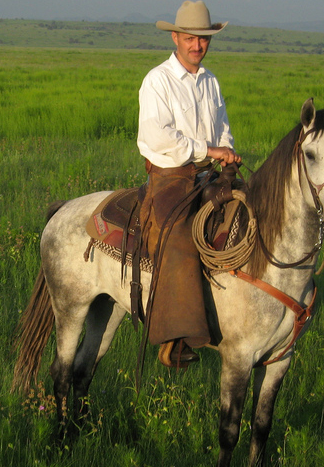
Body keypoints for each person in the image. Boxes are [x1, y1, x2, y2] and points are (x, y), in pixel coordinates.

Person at [137, 1, 241, 368]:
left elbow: (223, 128)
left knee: (252, 211)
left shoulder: (210, 82)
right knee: (179, 236)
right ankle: (176, 338)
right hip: (169, 177)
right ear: (175, 37)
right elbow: (159, 137)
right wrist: (207, 149)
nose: (197, 46)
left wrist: (225, 153)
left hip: (209, 175)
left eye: (203, 39)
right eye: (190, 38)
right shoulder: (157, 81)